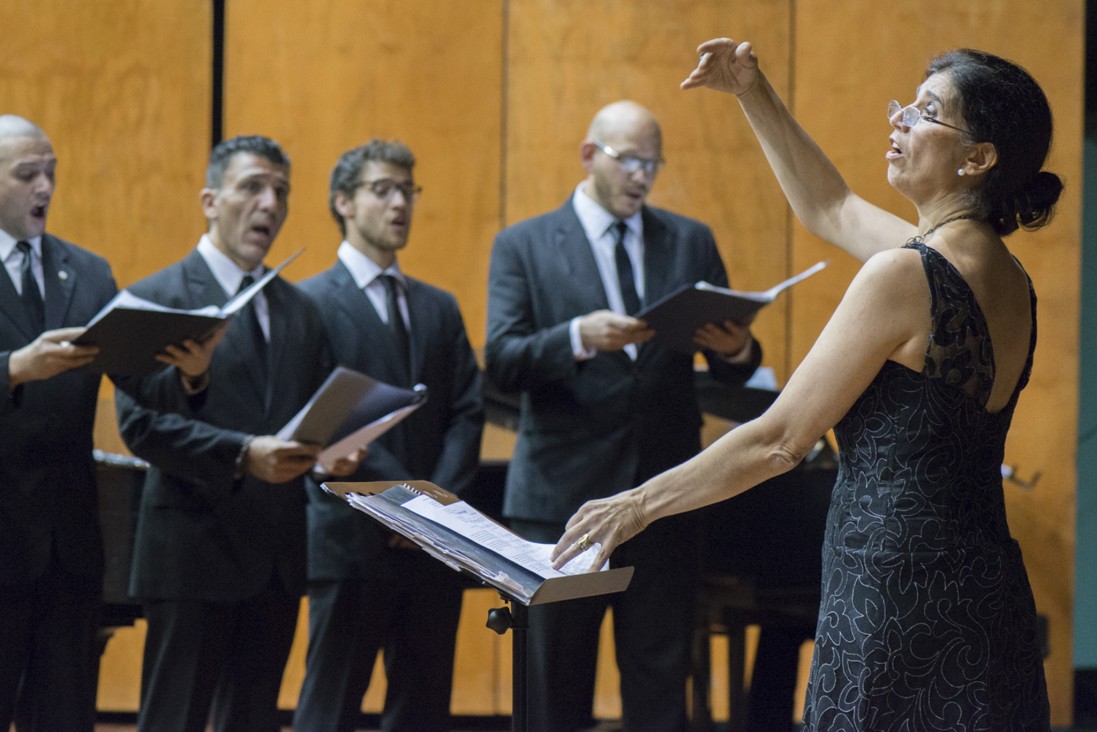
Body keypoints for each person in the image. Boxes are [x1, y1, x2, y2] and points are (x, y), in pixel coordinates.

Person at [552, 38, 1060, 730]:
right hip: (983, 591)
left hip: (893, 593)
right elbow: (829, 206)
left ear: (977, 157)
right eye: (903, 106)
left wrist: (637, 505)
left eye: (924, 112)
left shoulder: (901, 275)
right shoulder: (1007, 278)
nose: (899, 121)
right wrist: (750, 91)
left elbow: (779, 440)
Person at [485, 99, 762, 732]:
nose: (642, 175)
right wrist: (577, 336)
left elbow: (736, 367)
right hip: (562, 504)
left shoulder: (689, 239)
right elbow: (501, 360)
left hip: (663, 499)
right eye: (629, 161)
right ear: (589, 156)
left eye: (653, 163)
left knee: (660, 682)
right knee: (554, 687)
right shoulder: (523, 244)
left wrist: (736, 348)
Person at [114, 135, 358, 732]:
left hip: (275, 555)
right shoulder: (155, 297)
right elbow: (141, 426)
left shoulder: (301, 309)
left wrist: (331, 454)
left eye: (280, 191)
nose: (269, 204)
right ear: (210, 200)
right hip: (191, 551)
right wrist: (243, 454)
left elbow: (312, 414)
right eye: (252, 187)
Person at [293, 139, 484, 732]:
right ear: (343, 202)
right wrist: (402, 503)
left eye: (408, 190)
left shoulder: (439, 306)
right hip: (352, 539)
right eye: (383, 190)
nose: (400, 202)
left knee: (424, 709)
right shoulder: (309, 303)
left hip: (434, 542)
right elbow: (321, 418)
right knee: (331, 707)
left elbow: (468, 413)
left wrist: (433, 501)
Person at [0, 114, 116, 731]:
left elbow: (136, 380)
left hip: (68, 549)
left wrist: (192, 372)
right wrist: (14, 368)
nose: (44, 187)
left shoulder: (91, 273)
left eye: (51, 172)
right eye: (26, 175)